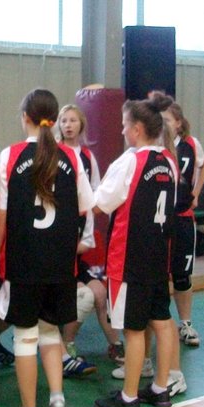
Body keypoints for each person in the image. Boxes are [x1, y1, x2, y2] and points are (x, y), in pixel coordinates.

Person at [0, 89, 94, 407]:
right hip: (59, 264)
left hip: (23, 262)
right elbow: (86, 207)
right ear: (54, 119)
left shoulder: (10, 155)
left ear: (25, 116)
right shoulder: (70, 156)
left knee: (25, 337)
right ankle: (58, 401)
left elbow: (2, 213)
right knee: (51, 333)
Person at [94, 92, 178, 407]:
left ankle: (129, 397)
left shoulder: (130, 161)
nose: (121, 131)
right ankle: (160, 388)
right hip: (158, 255)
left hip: (129, 258)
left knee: (132, 330)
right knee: (162, 322)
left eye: (124, 125)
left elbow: (102, 203)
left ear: (138, 129)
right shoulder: (168, 161)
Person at [57, 104, 124, 367]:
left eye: (73, 120)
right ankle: (65, 346)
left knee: (99, 293)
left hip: (80, 234)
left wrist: (87, 231)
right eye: (64, 120)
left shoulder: (87, 157)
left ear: (81, 125)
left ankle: (116, 345)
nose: (68, 125)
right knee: (78, 296)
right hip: (58, 234)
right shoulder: (54, 153)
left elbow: (95, 193)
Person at [158, 93, 204, 347]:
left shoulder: (190, 144)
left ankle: (185, 324)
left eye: (167, 119)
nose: (163, 124)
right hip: (158, 220)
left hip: (182, 217)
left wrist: (196, 193)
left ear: (178, 122)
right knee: (158, 275)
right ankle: (159, 323)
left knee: (182, 275)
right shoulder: (153, 145)